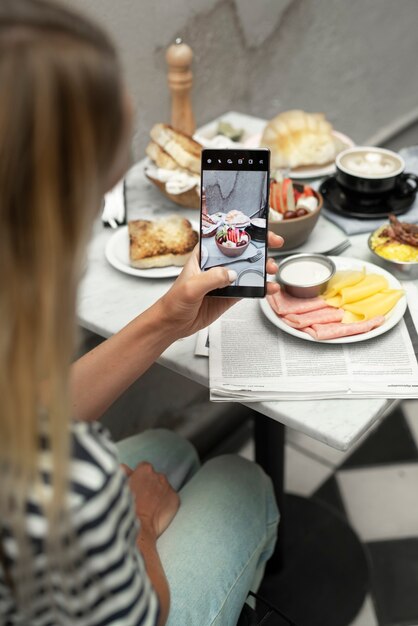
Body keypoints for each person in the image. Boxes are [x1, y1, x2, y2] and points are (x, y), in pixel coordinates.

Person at [0, 1, 283, 625]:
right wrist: (142, 527)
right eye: (108, 180)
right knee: (242, 483)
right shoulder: (72, 482)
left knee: (163, 447)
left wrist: (166, 319)